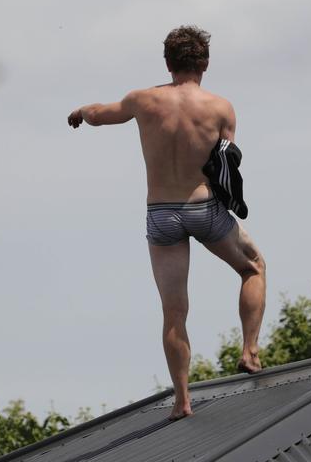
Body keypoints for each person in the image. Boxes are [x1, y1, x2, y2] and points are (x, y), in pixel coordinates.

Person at [67, 25, 266, 421]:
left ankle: (182, 400)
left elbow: (98, 114)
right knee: (252, 266)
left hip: (161, 215)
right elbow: (226, 163)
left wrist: (79, 112)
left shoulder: (142, 100)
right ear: (205, 63)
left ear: (167, 63)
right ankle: (249, 351)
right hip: (202, 207)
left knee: (174, 312)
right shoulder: (221, 108)